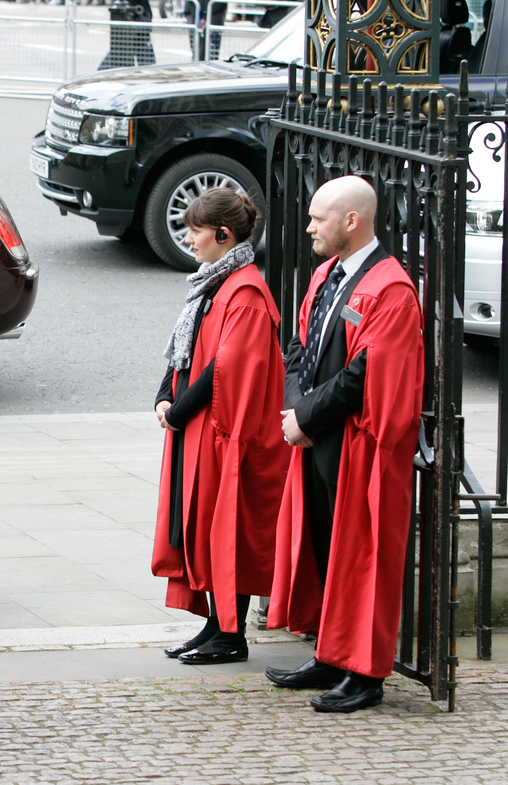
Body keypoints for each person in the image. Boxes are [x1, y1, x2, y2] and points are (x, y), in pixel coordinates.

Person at [265, 175, 424, 712]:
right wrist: (294, 408)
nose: (309, 227)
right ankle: (331, 656)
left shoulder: (391, 288)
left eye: (317, 218)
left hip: (359, 445)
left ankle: (366, 673)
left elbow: (368, 373)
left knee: (362, 556)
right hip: (319, 437)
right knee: (328, 549)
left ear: (351, 222)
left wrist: (304, 417)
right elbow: (298, 345)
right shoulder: (328, 274)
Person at [152, 188, 287, 666]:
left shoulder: (245, 290)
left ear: (224, 235)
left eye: (196, 230)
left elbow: (225, 371)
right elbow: (186, 353)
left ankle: (231, 635)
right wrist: (165, 393)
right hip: (202, 428)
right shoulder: (216, 282)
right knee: (204, 528)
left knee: (225, 529)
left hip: (224, 433)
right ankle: (215, 627)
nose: (189, 239)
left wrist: (178, 408)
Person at [99, 0, 155, 70]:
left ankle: (99, 73)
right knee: (144, 57)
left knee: (119, 51)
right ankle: (99, 73)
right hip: (134, 21)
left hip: (136, 20)